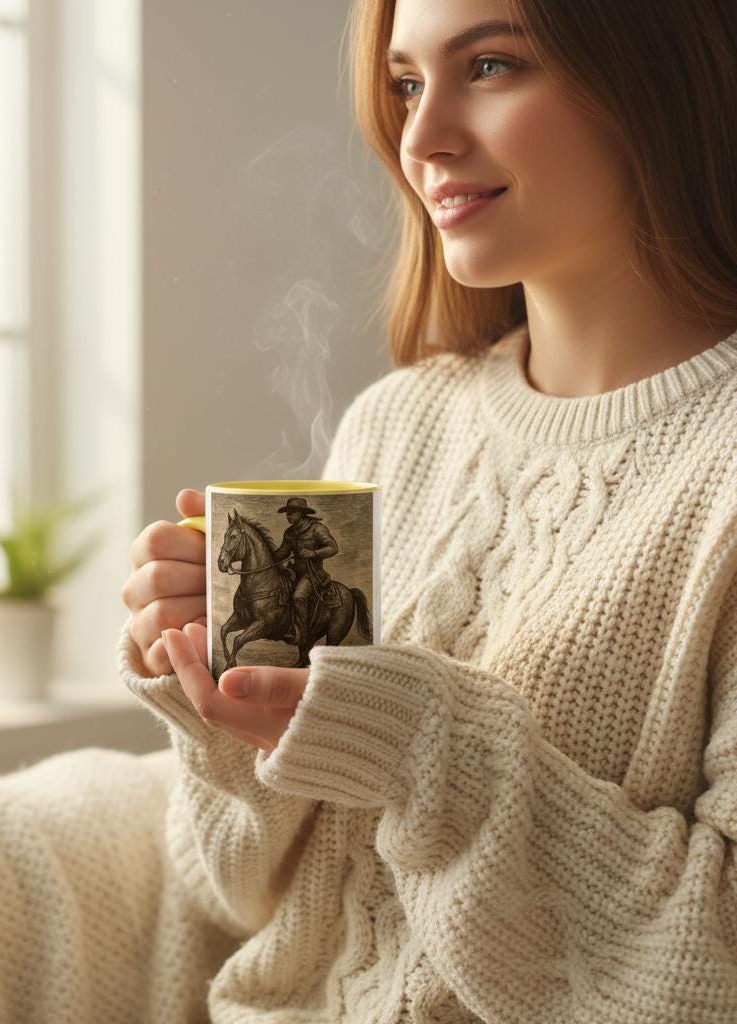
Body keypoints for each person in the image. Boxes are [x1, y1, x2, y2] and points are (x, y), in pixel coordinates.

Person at [120, 0, 737, 1020]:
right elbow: (228, 889)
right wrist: (217, 703)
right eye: (405, 84)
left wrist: (415, 740)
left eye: (490, 66)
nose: (419, 139)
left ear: (658, 78)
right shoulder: (394, 426)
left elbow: (713, 962)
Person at [269, 496, 339, 648]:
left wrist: (313, 554)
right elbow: (282, 553)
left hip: (313, 574)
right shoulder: (289, 533)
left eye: (292, 512)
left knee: (298, 596)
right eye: (287, 512)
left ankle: (301, 634)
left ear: (302, 513)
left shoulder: (317, 528)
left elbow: (333, 547)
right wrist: (266, 559)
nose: (289, 515)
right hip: (295, 572)